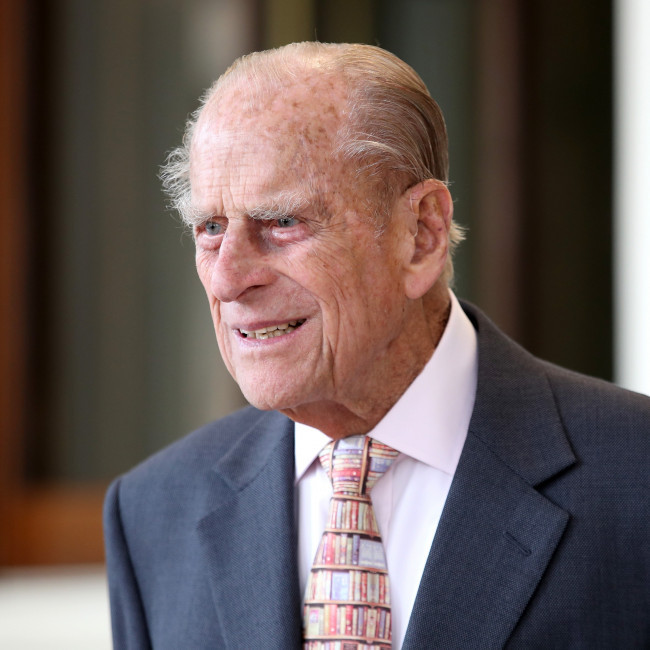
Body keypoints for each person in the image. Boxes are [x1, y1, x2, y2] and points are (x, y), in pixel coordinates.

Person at [103, 42, 650, 649]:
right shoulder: (152, 513)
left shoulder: (635, 474)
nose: (228, 280)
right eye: (210, 228)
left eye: (282, 222)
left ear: (421, 234)